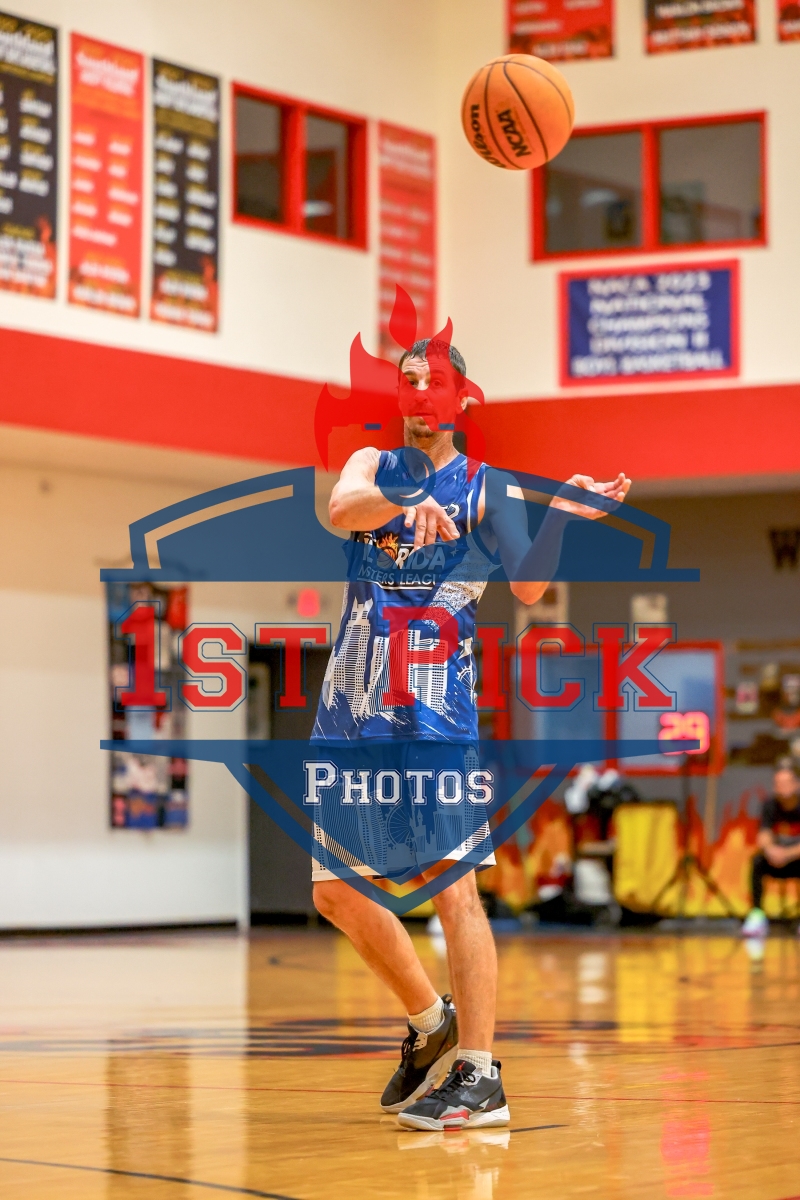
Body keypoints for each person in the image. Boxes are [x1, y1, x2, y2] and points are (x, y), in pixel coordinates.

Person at [311, 336, 631, 1130]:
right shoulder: (369, 464)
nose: (420, 391)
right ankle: (431, 1023)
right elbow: (341, 510)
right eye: (408, 379)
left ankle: (480, 1074)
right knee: (334, 892)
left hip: (433, 714)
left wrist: (558, 516)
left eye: (435, 380)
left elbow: (529, 584)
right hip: (351, 711)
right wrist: (403, 503)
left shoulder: (490, 487)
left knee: (453, 887)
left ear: (463, 398)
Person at [741, 761, 800, 938]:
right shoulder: (770, 805)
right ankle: (757, 915)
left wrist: (787, 854)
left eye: (786, 783)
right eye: (778, 783)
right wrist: (770, 850)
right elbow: (763, 834)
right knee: (757, 861)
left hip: (796, 860)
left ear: (796, 784)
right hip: (776, 860)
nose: (782, 787)